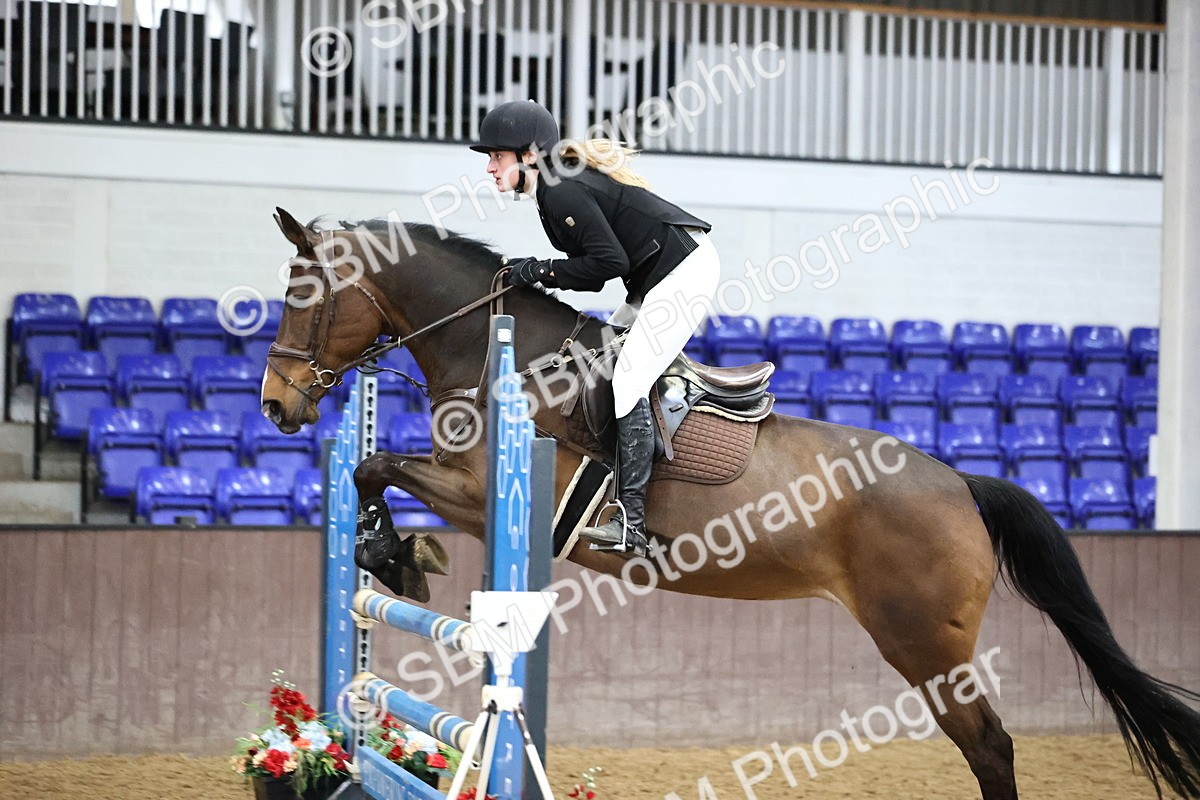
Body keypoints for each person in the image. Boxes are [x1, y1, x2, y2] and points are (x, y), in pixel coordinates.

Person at [470, 99, 720, 555]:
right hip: (654, 277)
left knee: (626, 382)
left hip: (681, 274)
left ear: (528, 155)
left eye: (496, 156)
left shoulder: (559, 190)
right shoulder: (552, 189)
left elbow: (606, 265)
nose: (489, 167)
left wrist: (540, 270)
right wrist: (539, 269)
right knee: (598, 354)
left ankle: (632, 522)